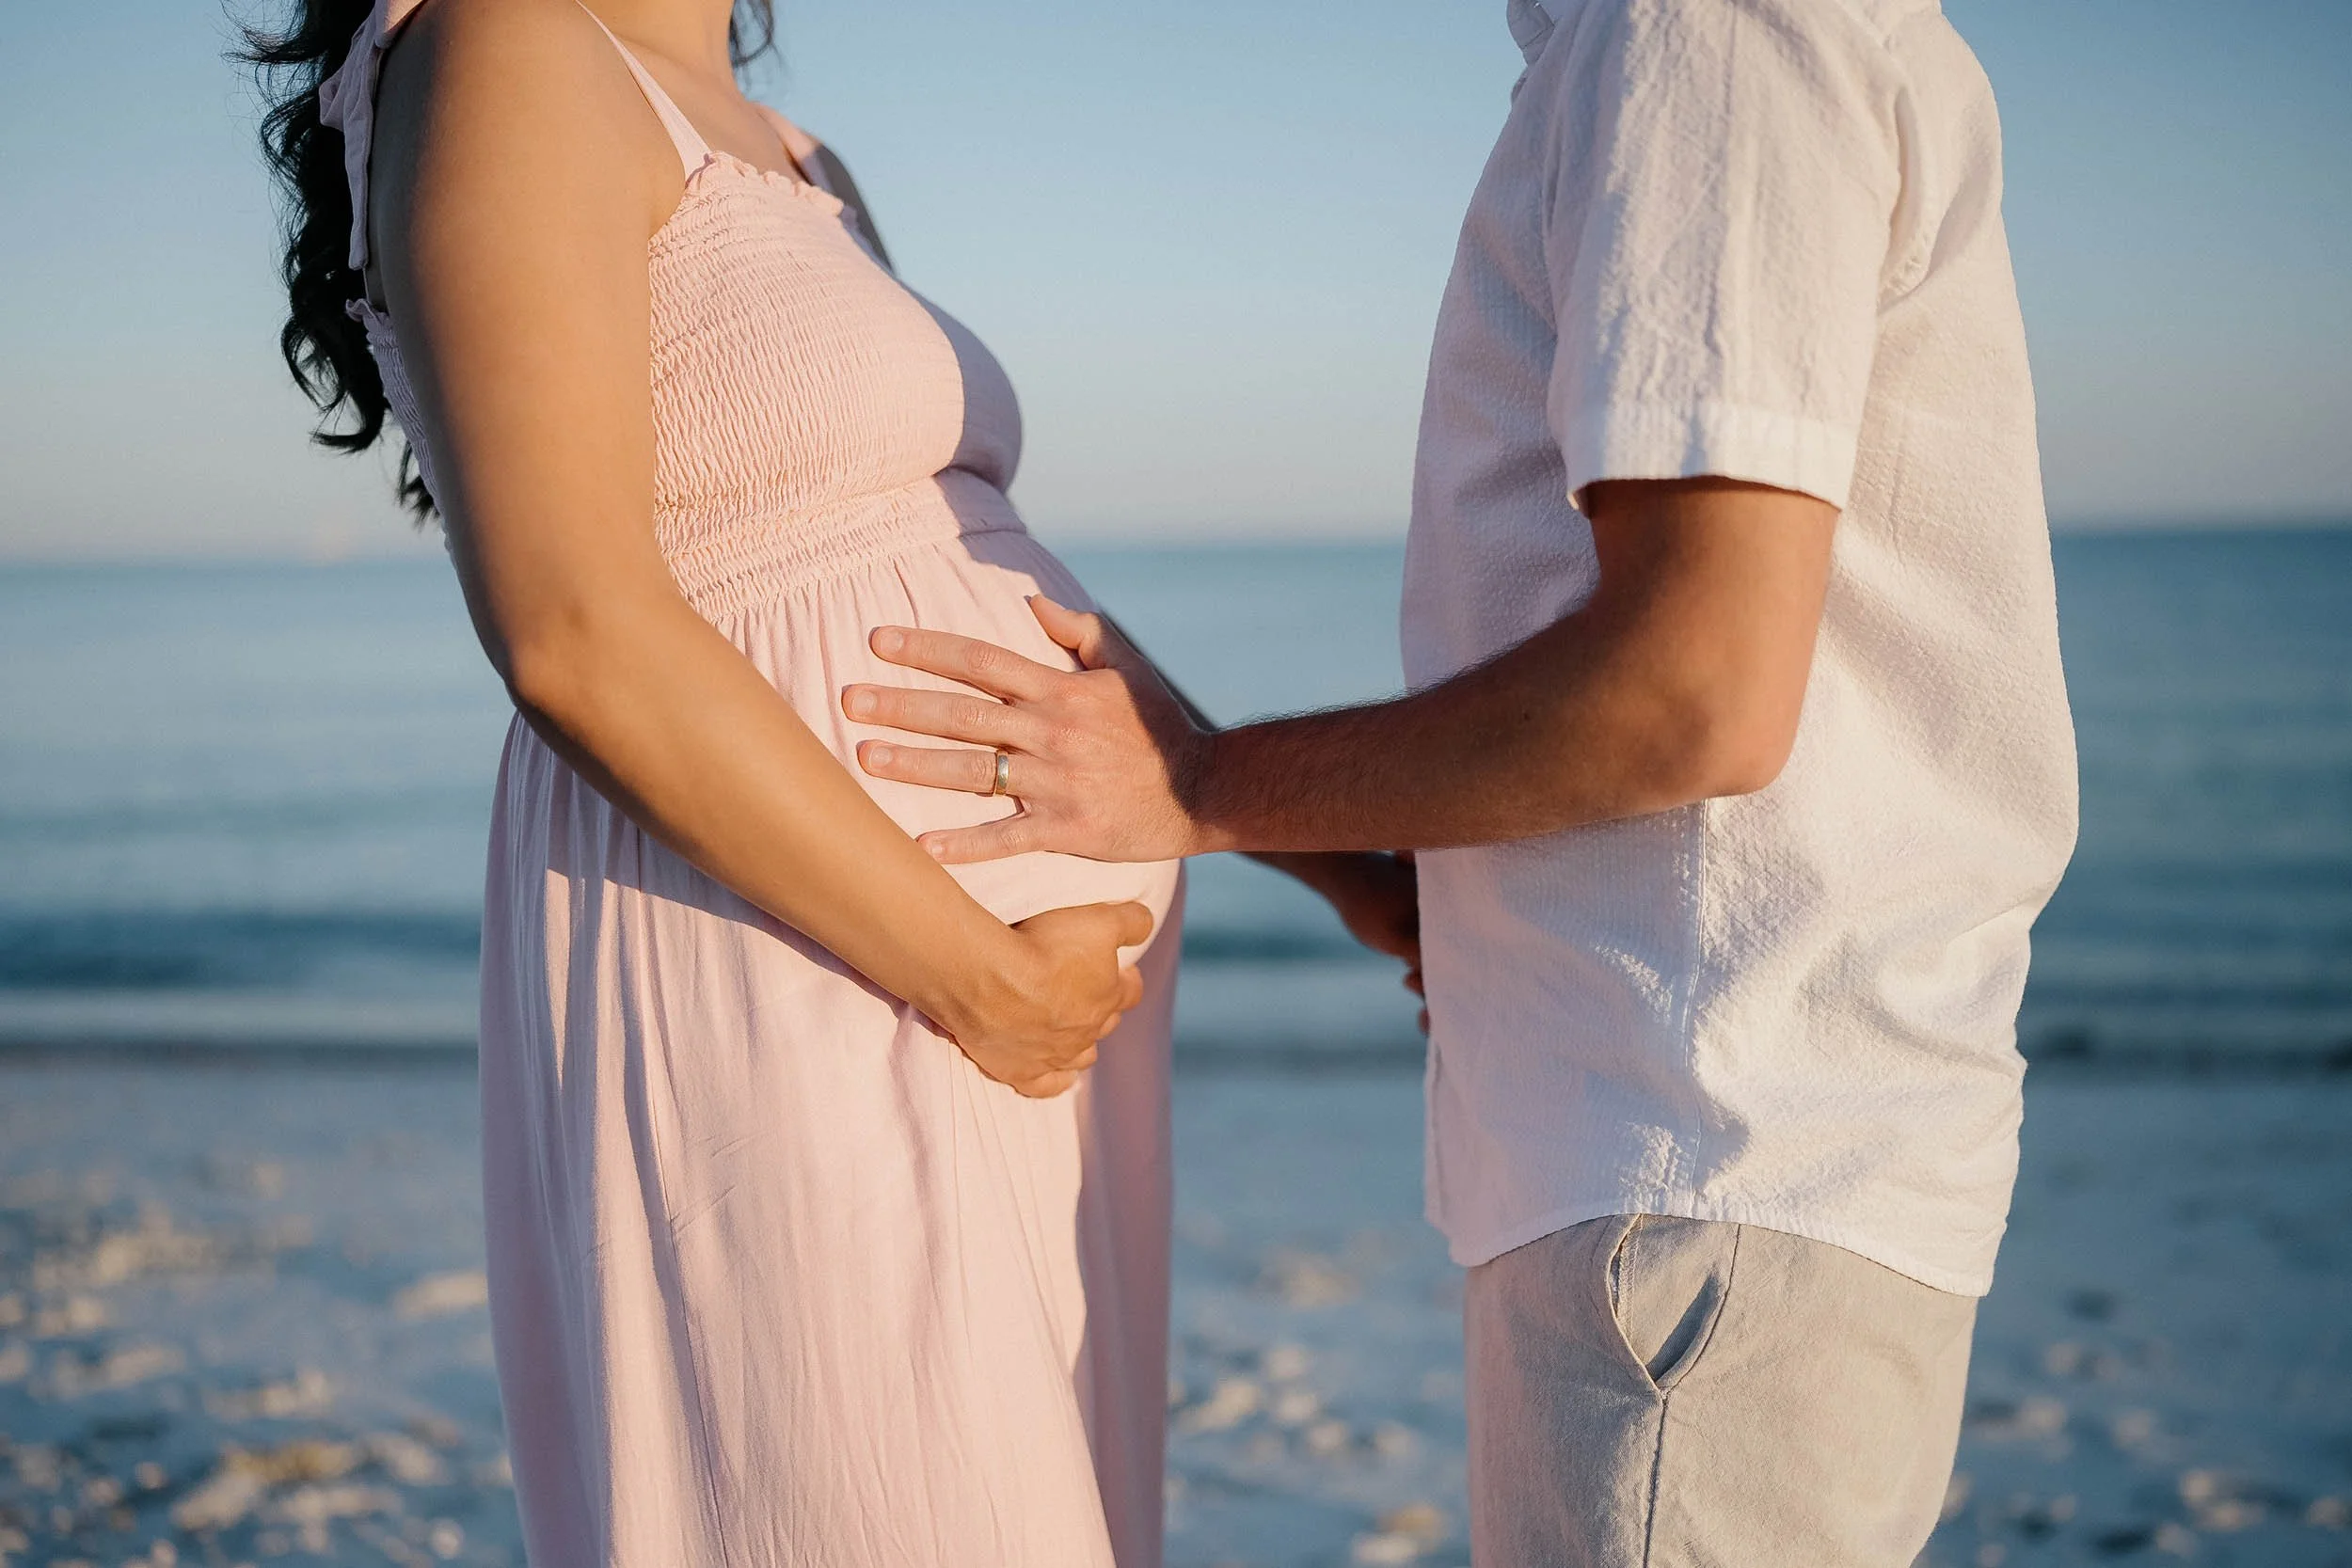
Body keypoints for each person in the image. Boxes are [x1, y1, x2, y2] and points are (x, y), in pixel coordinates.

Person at [849, 0, 2080, 1560]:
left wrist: (1203, 780)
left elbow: (1695, 693)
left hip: (1702, 1170)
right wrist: (1390, 879)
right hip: (1710, 1165)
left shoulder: (1699, 36)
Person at [244, 0, 1410, 1562]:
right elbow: (571, 627)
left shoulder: (803, 160)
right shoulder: (507, 42)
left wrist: (1329, 859)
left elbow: (970, 555)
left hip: (996, 1018)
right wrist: (980, 974)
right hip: (816, 957)